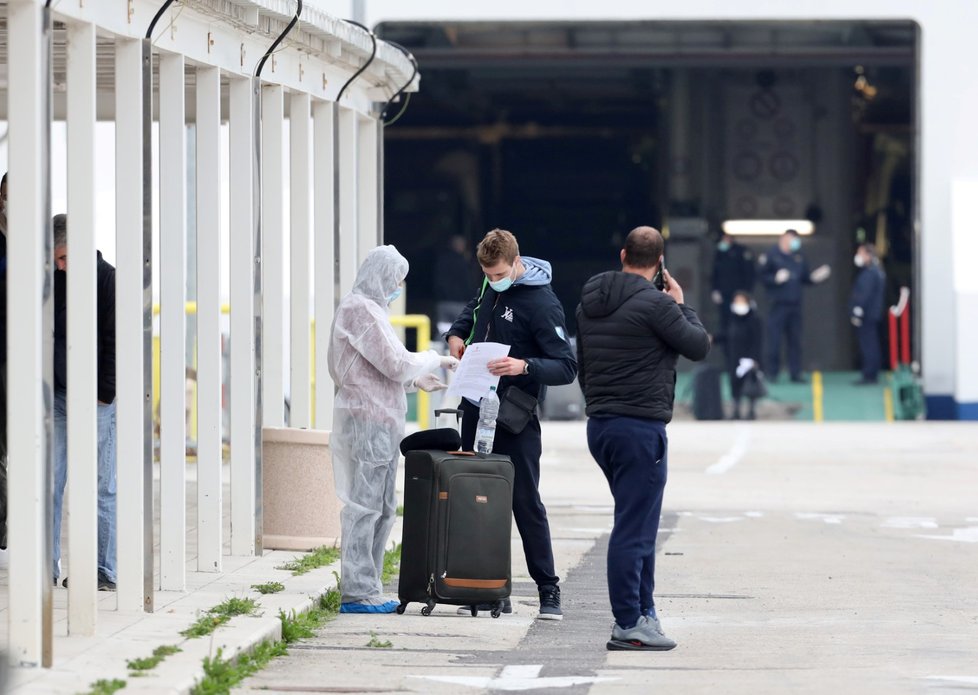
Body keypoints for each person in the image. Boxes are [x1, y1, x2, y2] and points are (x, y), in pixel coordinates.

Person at [576, 226, 710, 650]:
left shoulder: (588, 302)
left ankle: (644, 612)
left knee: (639, 524)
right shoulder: (658, 304)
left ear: (623, 255)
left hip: (601, 426)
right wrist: (682, 306)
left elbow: (582, 362)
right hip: (639, 429)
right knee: (634, 529)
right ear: (660, 264)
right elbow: (698, 346)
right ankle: (628, 622)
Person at [446, 229, 576, 620]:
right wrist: (455, 332)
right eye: (487, 274)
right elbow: (475, 307)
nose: (493, 279)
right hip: (475, 405)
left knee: (524, 501)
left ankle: (548, 590)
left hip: (514, 415)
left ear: (516, 263)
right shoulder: (491, 285)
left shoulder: (542, 302)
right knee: (477, 499)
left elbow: (567, 366)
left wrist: (525, 366)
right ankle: (488, 586)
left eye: (499, 273)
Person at [328, 245, 458, 614]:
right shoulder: (360, 311)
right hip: (367, 419)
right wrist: (434, 358)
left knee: (383, 507)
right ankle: (356, 591)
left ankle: (368, 586)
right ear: (382, 277)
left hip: (379, 418)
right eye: (396, 281)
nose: (398, 288)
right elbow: (397, 363)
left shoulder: (371, 312)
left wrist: (416, 384)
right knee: (364, 506)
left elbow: (377, 370)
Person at [51, 214, 118, 590]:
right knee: (51, 481)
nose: (59, 266)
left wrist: (103, 395)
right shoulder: (54, 280)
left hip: (97, 400)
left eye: (63, 258)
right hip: (60, 395)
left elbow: (113, 341)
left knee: (100, 486)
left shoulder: (107, 278)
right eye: (56, 260)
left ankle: (103, 571)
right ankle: (47, 566)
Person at [758, 229, 830, 383]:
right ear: (784, 239)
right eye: (792, 239)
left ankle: (795, 373)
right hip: (777, 304)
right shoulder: (772, 255)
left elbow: (804, 278)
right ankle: (772, 372)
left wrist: (815, 278)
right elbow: (761, 276)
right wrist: (774, 279)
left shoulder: (799, 256)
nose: (795, 243)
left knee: (795, 341)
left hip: (795, 304)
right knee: (774, 341)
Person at [710, 231, 755, 353]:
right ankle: (728, 358)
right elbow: (715, 273)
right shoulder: (719, 253)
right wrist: (715, 290)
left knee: (741, 327)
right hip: (724, 297)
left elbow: (749, 273)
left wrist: (746, 294)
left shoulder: (741, 252)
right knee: (725, 326)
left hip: (740, 297)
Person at [849, 243, 886, 384]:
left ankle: (869, 374)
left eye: (861, 253)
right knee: (871, 343)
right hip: (872, 313)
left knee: (868, 345)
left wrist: (858, 310)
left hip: (867, 314)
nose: (858, 256)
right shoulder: (877, 271)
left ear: (868, 255)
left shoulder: (870, 273)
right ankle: (871, 372)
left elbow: (864, 294)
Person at [727, 291, 764, 420]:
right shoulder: (732, 319)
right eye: (737, 301)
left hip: (749, 358)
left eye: (742, 301)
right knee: (735, 384)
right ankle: (736, 410)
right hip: (734, 358)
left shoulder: (754, 319)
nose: (739, 304)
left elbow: (757, 341)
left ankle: (751, 411)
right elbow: (727, 335)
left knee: (750, 384)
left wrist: (754, 359)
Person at [434, 234, 478, 335]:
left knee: (442, 330)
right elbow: (467, 282)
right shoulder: (462, 262)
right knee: (459, 331)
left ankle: (440, 350)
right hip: (459, 302)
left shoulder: (441, 260)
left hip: (442, 302)